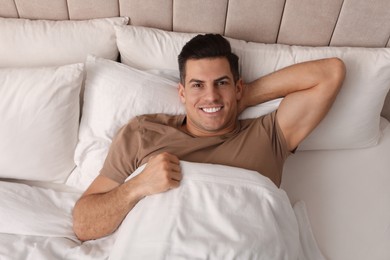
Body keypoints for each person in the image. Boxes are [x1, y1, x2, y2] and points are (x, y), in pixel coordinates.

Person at [72, 34, 345, 241]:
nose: (211, 96)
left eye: (222, 83)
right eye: (198, 85)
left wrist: (244, 98)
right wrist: (138, 186)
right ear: (182, 94)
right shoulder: (143, 133)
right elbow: (84, 225)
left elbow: (331, 72)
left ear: (238, 87)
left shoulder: (269, 134)